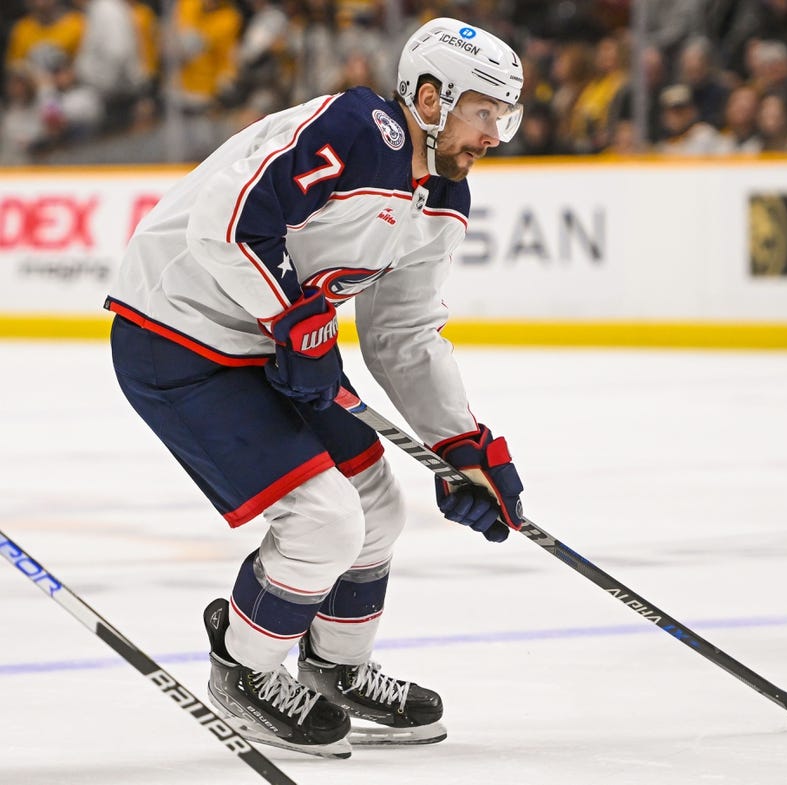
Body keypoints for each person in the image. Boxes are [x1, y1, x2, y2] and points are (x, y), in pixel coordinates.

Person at [105, 16, 527, 759]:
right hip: (175, 334)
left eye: (505, 116)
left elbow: (403, 335)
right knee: (323, 520)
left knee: (377, 507)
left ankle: (336, 666)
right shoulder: (358, 128)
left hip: (271, 345)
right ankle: (244, 667)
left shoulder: (442, 200)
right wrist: (296, 318)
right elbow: (228, 224)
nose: (495, 134)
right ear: (430, 98)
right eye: (484, 111)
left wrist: (460, 442)